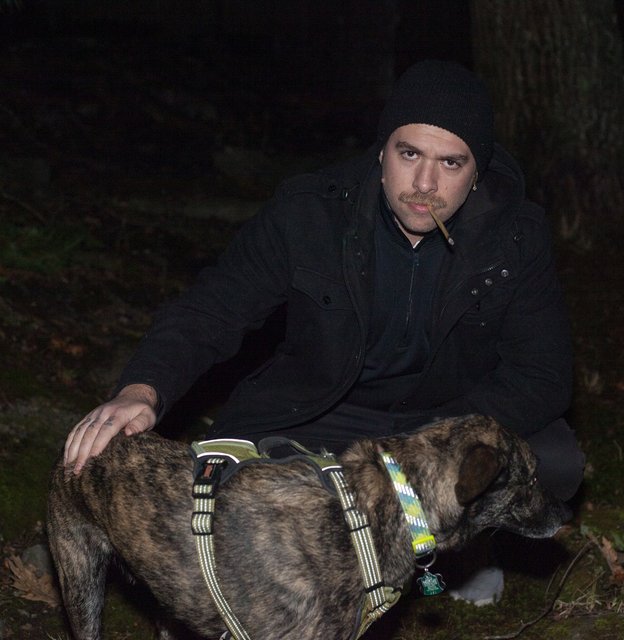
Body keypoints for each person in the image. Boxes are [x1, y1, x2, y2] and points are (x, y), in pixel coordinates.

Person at [65, 61, 584, 595]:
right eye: (409, 154)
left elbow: (543, 376)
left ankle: (465, 547)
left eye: (451, 162)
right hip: (324, 410)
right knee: (232, 485)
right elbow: (213, 307)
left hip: (444, 418)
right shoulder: (311, 212)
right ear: (381, 151)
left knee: (554, 463)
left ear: (477, 173)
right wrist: (142, 390)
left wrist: (435, 443)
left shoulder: (516, 236)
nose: (425, 184)